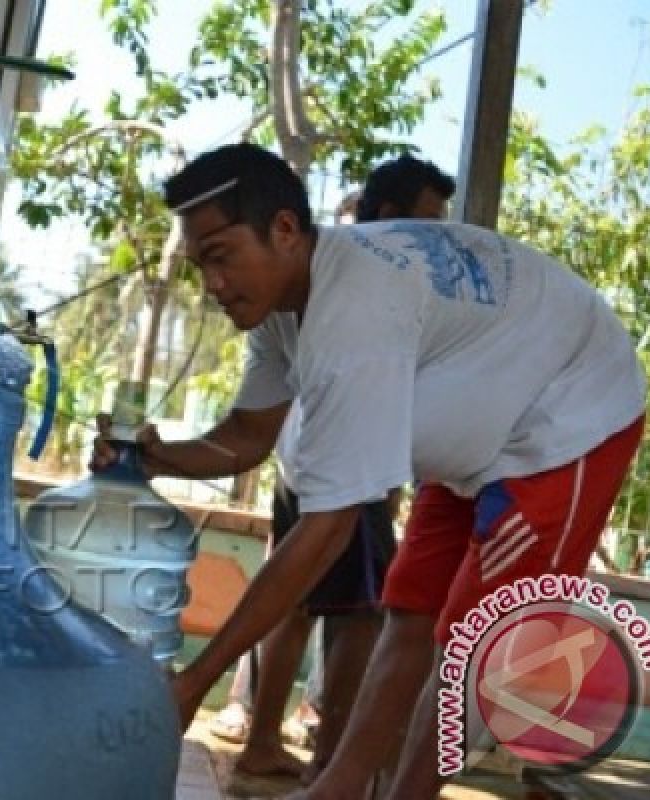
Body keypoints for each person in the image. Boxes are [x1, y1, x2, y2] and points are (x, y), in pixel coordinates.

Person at [93, 142, 645, 799]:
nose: (212, 285)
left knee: (474, 638)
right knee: (408, 606)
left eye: (221, 256)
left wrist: (197, 677)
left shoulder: (353, 314)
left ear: (286, 231)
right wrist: (157, 458)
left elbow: (325, 532)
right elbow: (246, 437)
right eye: (200, 264)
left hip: (569, 417)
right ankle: (340, 787)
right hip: (481, 437)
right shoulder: (281, 310)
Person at [203, 154, 457, 791]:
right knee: (361, 616)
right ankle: (328, 769)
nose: (442, 237)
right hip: (347, 467)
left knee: (293, 605)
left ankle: (266, 744)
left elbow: (249, 432)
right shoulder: (369, 280)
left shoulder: (330, 276)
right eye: (432, 221)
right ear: (393, 216)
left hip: (304, 457)